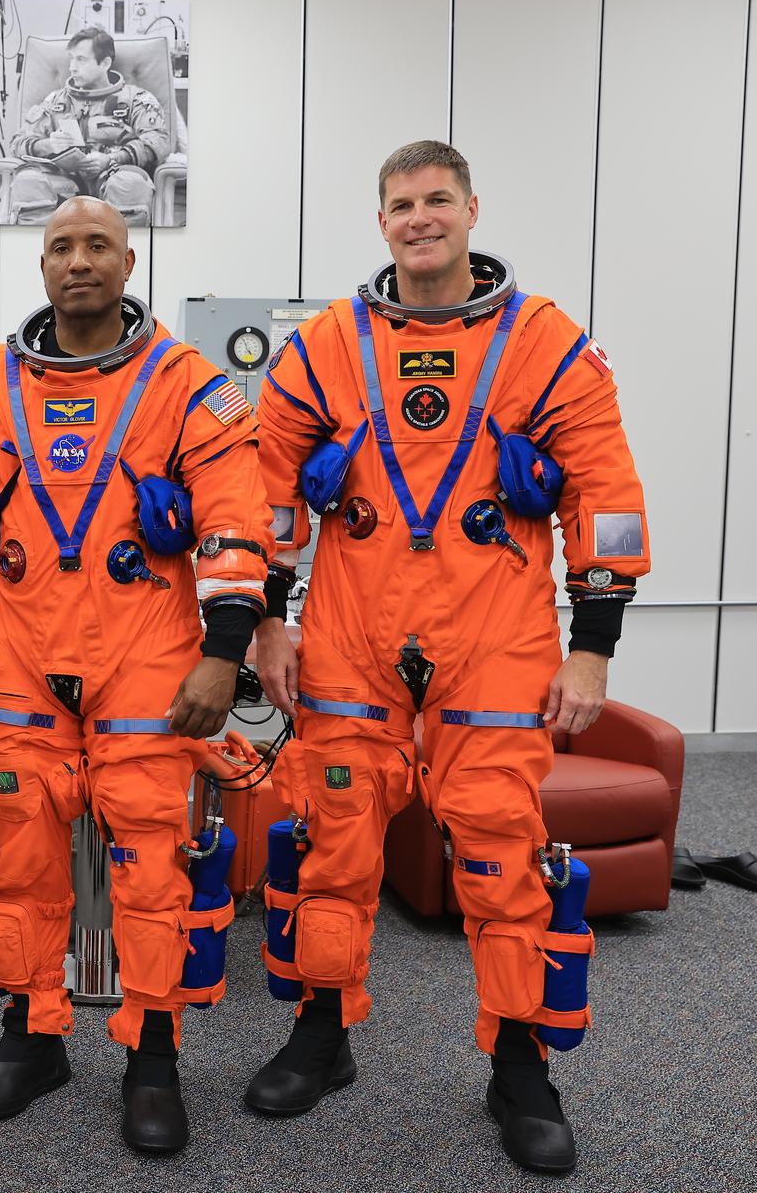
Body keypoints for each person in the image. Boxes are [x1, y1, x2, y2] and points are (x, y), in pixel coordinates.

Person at [245, 140, 651, 1177]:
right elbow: (265, 496)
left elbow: (603, 497)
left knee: (502, 856)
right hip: (349, 632)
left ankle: (521, 1066)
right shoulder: (329, 345)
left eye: (435, 200)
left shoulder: (547, 343)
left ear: (471, 208)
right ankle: (322, 1033)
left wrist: (593, 650)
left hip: (496, 639)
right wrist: (267, 621)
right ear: (380, 222)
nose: (418, 218)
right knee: (333, 844)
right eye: (398, 204)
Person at [0, 196, 273, 1155]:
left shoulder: (188, 383)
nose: (78, 261)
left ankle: (153, 1055)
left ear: (129, 262)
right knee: (18, 847)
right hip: (22, 649)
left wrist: (222, 653)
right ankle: (32, 1037)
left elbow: (234, 518)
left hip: (146, 648)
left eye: (96, 245)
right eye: (61, 246)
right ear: (42, 266)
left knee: (150, 861)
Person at [3, 26, 170, 225]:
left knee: (129, 184)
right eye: (71, 58)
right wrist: (48, 145)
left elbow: (158, 141)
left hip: (115, 178)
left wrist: (111, 158)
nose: (72, 67)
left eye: (81, 59)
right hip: (63, 184)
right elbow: (18, 142)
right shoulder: (55, 101)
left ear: (105, 63)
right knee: (28, 180)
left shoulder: (136, 99)